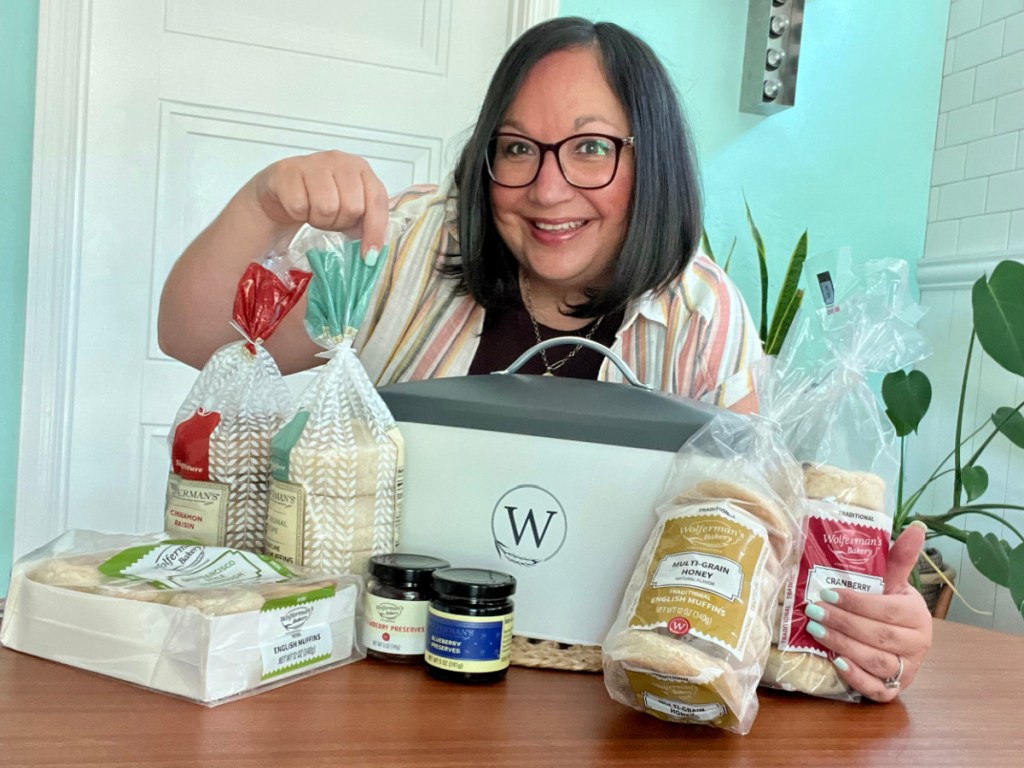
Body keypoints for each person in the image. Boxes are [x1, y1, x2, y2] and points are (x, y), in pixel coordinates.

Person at [158, 17, 931, 702]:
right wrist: (265, 203)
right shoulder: (411, 243)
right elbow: (193, 334)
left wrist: (868, 625)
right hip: (375, 677)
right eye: (518, 148)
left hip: (596, 714)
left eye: (592, 148)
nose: (548, 189)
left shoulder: (707, 315)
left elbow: (752, 549)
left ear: (650, 159)